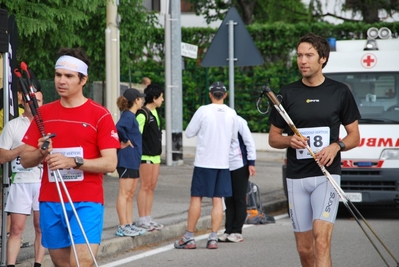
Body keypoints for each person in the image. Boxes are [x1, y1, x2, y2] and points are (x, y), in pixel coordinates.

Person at [20, 47, 120, 267]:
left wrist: (73, 162)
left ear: (83, 80)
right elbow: (25, 159)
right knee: (62, 264)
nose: (61, 81)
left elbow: (111, 163)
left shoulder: (99, 114)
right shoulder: (43, 114)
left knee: (81, 263)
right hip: (51, 200)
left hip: (87, 201)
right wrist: (41, 152)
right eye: (58, 75)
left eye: (69, 76)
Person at [268, 33, 361, 267]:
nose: (303, 60)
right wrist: (289, 141)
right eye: (299, 55)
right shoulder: (286, 94)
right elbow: (273, 138)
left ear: (323, 59)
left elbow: (354, 136)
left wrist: (335, 146)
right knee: (305, 249)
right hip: (296, 178)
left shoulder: (340, 92)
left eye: (309, 55)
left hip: (326, 176)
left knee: (321, 241)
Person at [174, 81, 238, 250]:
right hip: (222, 163)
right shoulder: (232, 113)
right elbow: (233, 138)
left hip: (204, 162)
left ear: (210, 94)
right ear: (225, 95)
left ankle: (189, 236)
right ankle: (213, 237)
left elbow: (189, 132)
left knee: (197, 198)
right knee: (218, 199)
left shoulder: (203, 110)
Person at [0, 90, 46, 267]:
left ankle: (38, 264)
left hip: (42, 182)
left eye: (39, 100)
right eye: (31, 100)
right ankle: (10, 264)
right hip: (21, 181)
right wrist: (22, 149)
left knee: (40, 227)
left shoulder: (46, 124)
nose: (34, 104)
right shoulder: (13, 125)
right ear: (23, 102)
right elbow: (2, 157)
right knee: (16, 228)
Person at [218, 115, 256, 243]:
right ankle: (228, 230)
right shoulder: (217, 121)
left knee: (239, 198)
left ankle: (237, 231)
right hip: (224, 164)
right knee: (228, 199)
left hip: (239, 164)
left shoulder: (239, 121)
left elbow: (249, 141)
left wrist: (251, 163)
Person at [115, 88, 147, 237]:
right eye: (141, 98)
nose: (142, 101)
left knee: (130, 194)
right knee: (124, 193)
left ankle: (128, 223)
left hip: (133, 160)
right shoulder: (128, 116)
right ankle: (122, 225)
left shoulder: (132, 116)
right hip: (126, 159)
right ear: (136, 100)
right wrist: (126, 141)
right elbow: (118, 128)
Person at [136, 84, 164, 231]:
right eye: (161, 97)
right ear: (154, 98)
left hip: (156, 156)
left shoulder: (155, 113)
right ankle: (142, 219)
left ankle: (148, 217)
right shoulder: (143, 114)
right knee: (145, 186)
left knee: (151, 187)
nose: (163, 99)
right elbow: (136, 134)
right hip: (146, 155)